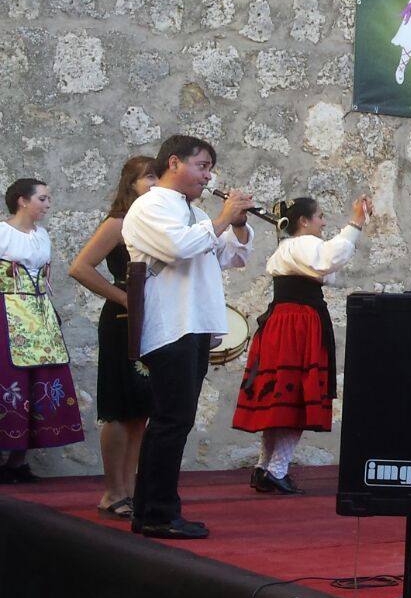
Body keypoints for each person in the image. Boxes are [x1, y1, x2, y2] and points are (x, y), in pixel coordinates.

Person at [122, 135, 255, 538]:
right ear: (174, 162)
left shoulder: (190, 210)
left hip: (194, 323)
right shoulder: (149, 205)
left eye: (210, 167)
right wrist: (219, 218)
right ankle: (158, 513)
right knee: (170, 420)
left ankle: (150, 509)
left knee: (173, 421)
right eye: (202, 166)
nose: (208, 175)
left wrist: (238, 223)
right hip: (171, 324)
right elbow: (177, 248)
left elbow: (229, 257)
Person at [231, 195, 370, 495]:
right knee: (294, 393)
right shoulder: (303, 244)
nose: (323, 222)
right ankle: (277, 469)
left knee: (280, 394)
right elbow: (330, 258)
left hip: (284, 322)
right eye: (319, 216)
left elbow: (328, 272)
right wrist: (356, 221)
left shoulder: (292, 248)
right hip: (297, 324)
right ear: (304, 221)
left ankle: (265, 467)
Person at [68, 156, 160, 516]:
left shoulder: (155, 224)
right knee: (119, 408)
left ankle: (131, 489)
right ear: (131, 184)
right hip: (121, 318)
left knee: (141, 410)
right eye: (148, 177)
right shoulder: (119, 222)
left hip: (150, 320)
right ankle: (113, 491)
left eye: (157, 176)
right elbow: (80, 267)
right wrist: (124, 297)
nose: (154, 182)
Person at [0, 178, 85, 484]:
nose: (48, 205)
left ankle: (18, 460)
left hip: (38, 312)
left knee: (40, 379)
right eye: (43, 199)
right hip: (5, 311)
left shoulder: (42, 235)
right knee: (9, 379)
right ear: (22, 200)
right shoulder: (2, 232)